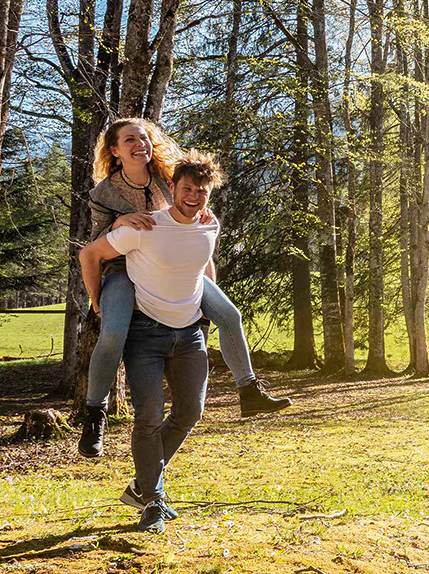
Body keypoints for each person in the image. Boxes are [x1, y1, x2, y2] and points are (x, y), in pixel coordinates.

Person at [78, 118, 290, 460]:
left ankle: (249, 390)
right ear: (115, 150)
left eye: (144, 137)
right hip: (123, 272)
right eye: (130, 139)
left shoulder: (167, 177)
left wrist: (199, 217)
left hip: (175, 270)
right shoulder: (104, 193)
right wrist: (98, 298)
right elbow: (95, 247)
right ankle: (94, 415)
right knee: (114, 334)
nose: (139, 144)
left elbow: (190, 204)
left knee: (229, 315)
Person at [79, 150, 225, 532]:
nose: (194, 196)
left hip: (190, 332)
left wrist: (209, 297)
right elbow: (91, 253)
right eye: (187, 188)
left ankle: (142, 486)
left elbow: (201, 261)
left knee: (190, 412)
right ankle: (153, 500)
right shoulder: (142, 224)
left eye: (201, 191)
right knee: (147, 418)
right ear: (173, 188)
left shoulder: (207, 224)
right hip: (143, 327)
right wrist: (97, 300)